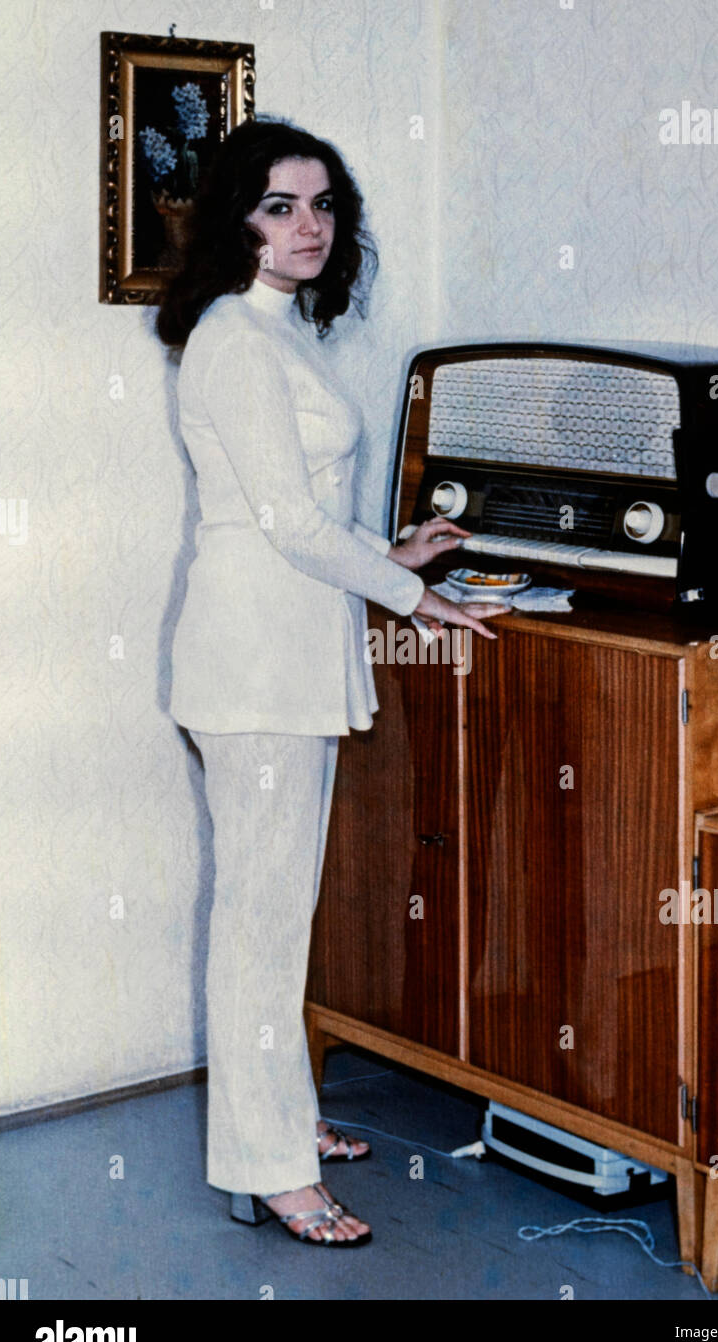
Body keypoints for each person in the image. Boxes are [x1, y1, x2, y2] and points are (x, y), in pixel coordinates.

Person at [156, 118, 506, 1246]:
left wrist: (397, 555)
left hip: (290, 650)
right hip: (254, 663)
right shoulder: (230, 338)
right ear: (235, 222)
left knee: (277, 913)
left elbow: (308, 510)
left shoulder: (280, 332)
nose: (308, 227)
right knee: (257, 926)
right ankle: (267, 1170)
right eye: (278, 207)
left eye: (320, 205)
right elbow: (288, 523)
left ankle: (283, 1120)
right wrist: (416, 600)